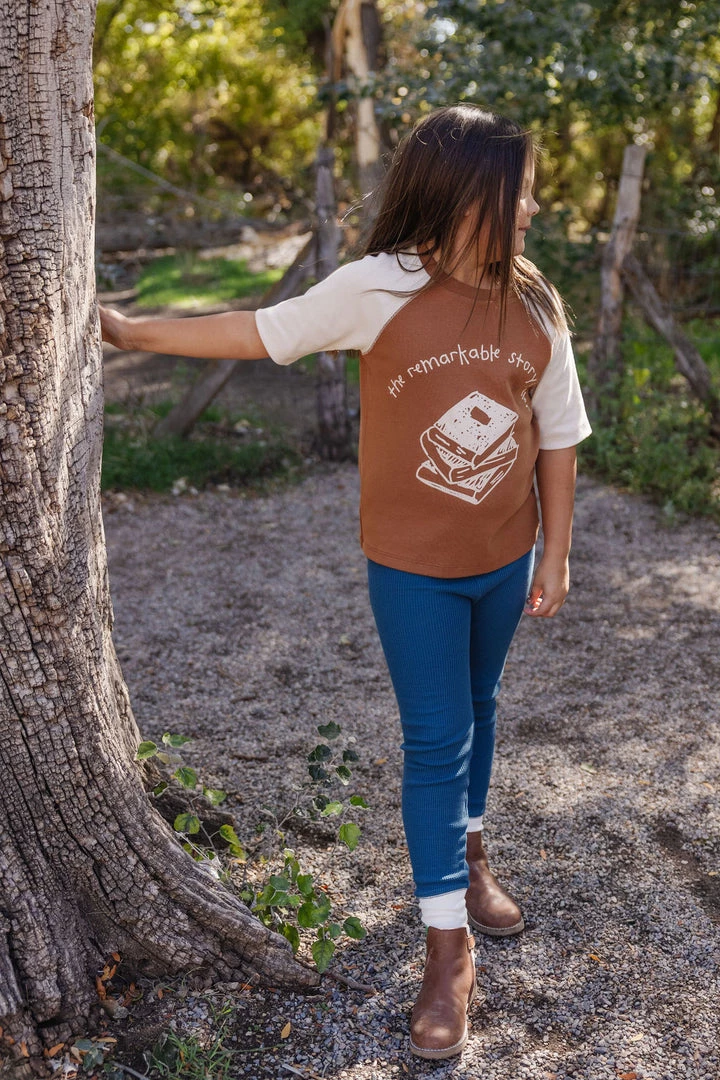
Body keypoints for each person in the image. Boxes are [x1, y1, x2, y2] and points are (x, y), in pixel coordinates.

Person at [100, 104, 591, 1061]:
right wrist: (127, 331)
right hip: (411, 570)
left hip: (503, 560)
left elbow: (558, 435)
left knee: (483, 708)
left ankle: (472, 855)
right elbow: (257, 332)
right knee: (435, 739)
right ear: (462, 196)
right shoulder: (378, 288)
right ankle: (447, 954)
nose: (533, 206)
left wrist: (557, 552)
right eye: (518, 188)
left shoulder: (536, 303)